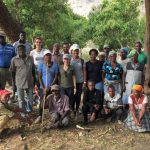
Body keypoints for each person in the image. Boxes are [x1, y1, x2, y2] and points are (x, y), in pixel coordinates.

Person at [34, 50, 59, 123]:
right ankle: (40, 116)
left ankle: (54, 115)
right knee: (42, 101)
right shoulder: (41, 65)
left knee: (53, 101)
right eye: (46, 55)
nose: (48, 57)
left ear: (51, 56)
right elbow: (39, 77)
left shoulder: (55, 65)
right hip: (43, 87)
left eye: (49, 55)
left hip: (52, 87)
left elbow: (56, 77)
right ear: (44, 57)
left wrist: (50, 86)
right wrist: (43, 87)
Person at [10, 44, 35, 113]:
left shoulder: (30, 58)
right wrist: (13, 83)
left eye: (23, 49)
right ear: (17, 51)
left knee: (30, 98)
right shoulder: (14, 59)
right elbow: (12, 72)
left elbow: (33, 70)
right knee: (21, 99)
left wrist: (34, 81)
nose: (21, 51)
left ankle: (30, 111)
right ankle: (23, 113)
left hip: (29, 81)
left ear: (25, 50)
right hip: (19, 82)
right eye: (19, 50)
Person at [70, 44, 84, 118]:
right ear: (72, 51)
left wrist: (84, 81)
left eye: (77, 51)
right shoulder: (70, 60)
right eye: (74, 51)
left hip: (80, 81)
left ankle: (77, 108)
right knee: (72, 96)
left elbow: (84, 71)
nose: (76, 52)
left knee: (78, 96)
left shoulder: (81, 60)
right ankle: (72, 109)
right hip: (72, 82)